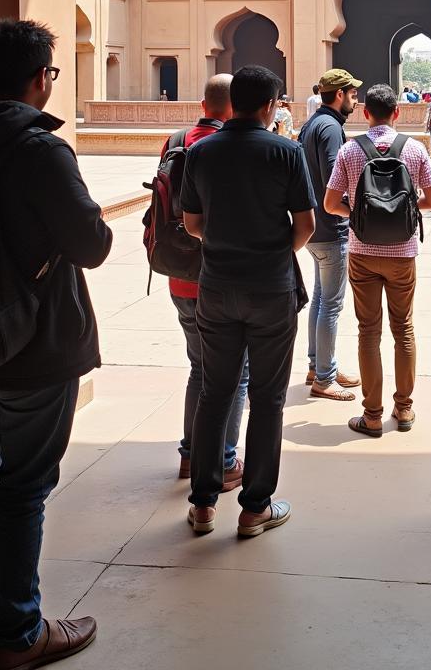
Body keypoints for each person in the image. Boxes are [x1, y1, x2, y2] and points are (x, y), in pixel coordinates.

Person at [0, 19, 111, 667]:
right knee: (24, 487)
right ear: (41, 77)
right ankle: (19, 633)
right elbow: (91, 245)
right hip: (34, 342)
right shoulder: (39, 149)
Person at [181, 65, 316, 537]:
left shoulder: (201, 151)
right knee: (267, 397)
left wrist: (226, 244)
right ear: (269, 105)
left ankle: (202, 504)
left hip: (216, 287)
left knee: (214, 393)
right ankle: (255, 506)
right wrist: (273, 252)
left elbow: (193, 224)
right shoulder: (286, 151)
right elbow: (306, 225)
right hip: (270, 289)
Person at [323, 84, 431, 437]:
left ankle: (372, 415)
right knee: (403, 329)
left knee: (368, 331)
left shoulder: (350, 150)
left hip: (362, 253)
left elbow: (330, 203)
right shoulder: (415, 149)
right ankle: (403, 410)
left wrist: (358, 212)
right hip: (402, 254)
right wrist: (404, 210)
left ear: (365, 112)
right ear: (398, 112)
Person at [162, 74, 249, 487]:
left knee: (199, 368)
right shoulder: (226, 147)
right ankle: (225, 459)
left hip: (180, 275)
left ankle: (190, 455)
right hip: (219, 277)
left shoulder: (175, 141)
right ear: (235, 108)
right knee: (234, 374)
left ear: (202, 104)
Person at [297, 69, 363, 400]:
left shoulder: (312, 123)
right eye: (352, 94)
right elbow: (336, 178)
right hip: (331, 227)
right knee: (331, 304)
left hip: (312, 226)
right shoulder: (331, 128)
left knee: (322, 300)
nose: (355, 99)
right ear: (339, 95)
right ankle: (324, 377)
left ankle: (319, 365)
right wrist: (357, 212)